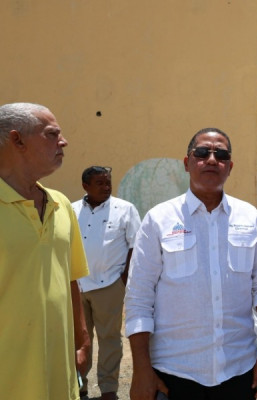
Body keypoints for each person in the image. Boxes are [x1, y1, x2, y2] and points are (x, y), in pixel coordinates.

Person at [125, 128, 257, 400]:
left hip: (238, 369)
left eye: (221, 155)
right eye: (202, 152)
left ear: (230, 167)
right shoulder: (159, 219)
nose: (211, 160)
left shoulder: (249, 218)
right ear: (187, 163)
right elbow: (139, 297)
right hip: (174, 371)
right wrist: (141, 369)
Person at [0, 102, 90, 399]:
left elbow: (70, 277)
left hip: (58, 375)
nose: (64, 142)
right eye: (52, 134)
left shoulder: (60, 204)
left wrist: (82, 340)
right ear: (17, 140)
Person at [72, 166, 142, 400]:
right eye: (100, 183)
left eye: (108, 182)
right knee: (78, 339)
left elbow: (135, 245)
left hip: (110, 286)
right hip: (77, 286)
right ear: (85, 186)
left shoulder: (125, 209)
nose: (106, 187)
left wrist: (123, 279)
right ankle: (79, 388)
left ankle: (109, 389)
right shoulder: (71, 210)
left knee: (110, 339)